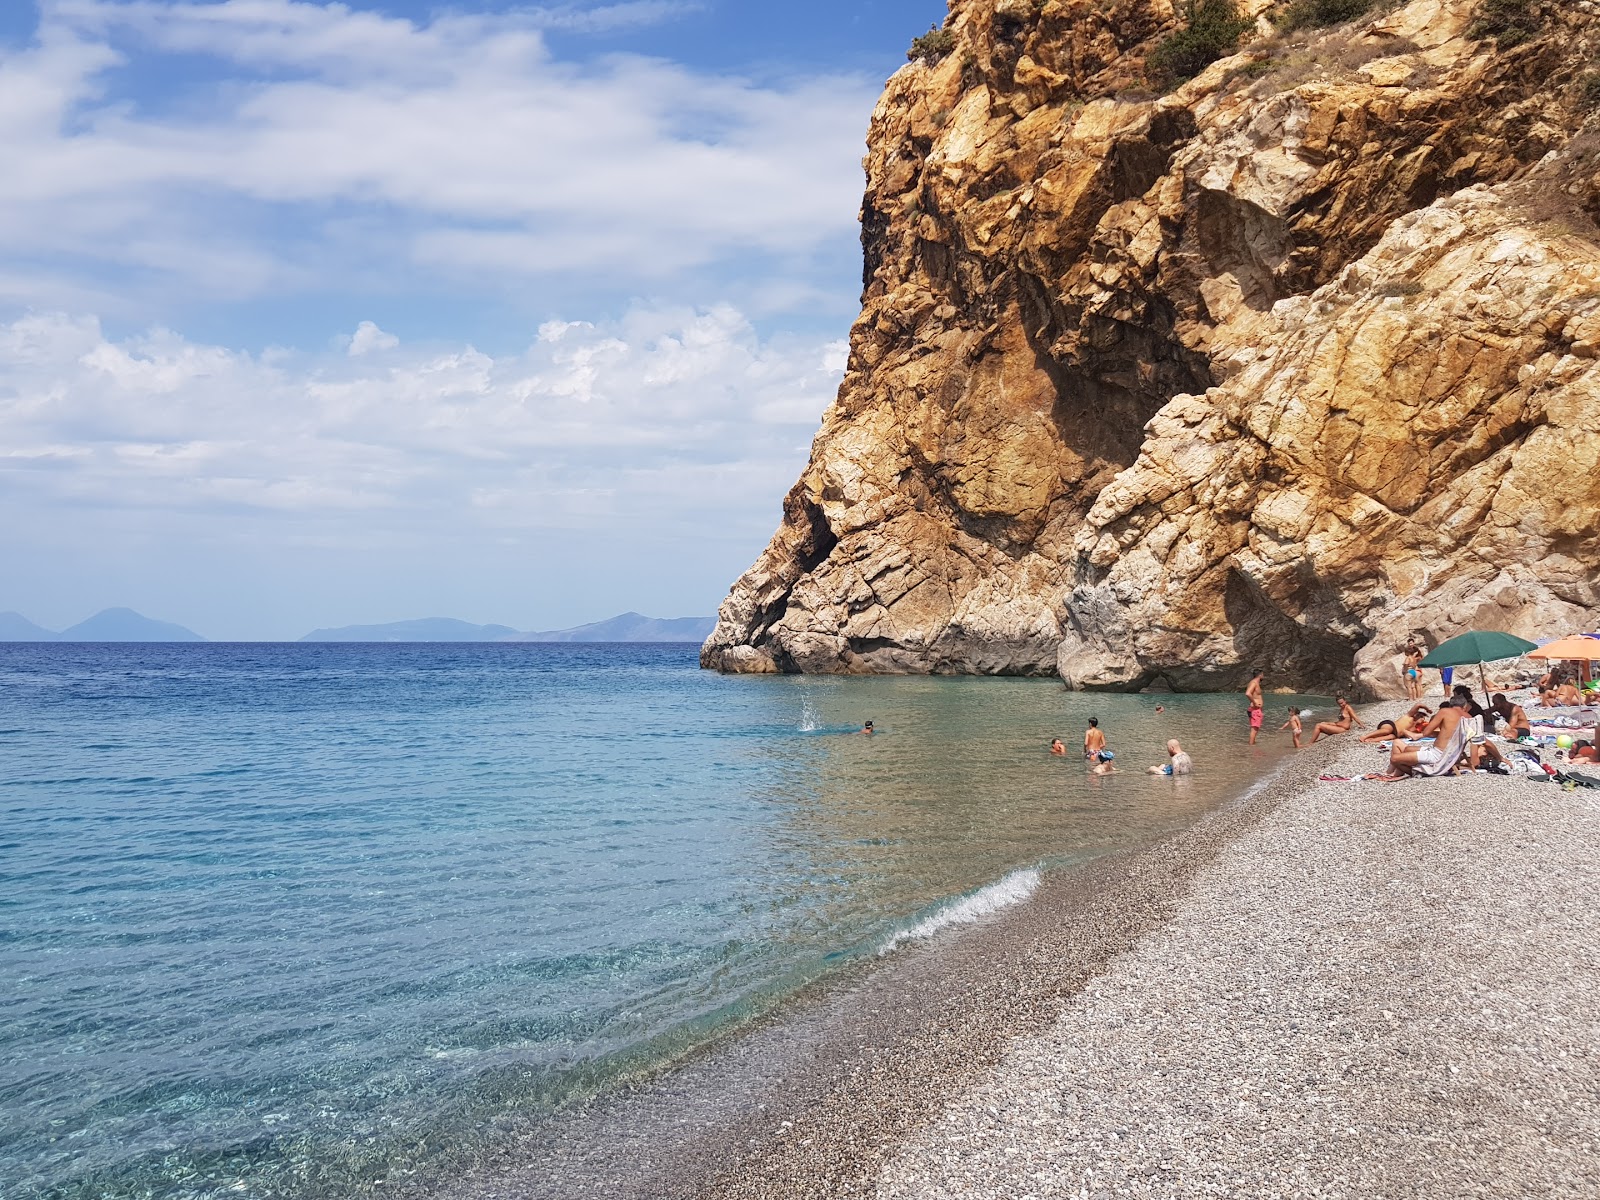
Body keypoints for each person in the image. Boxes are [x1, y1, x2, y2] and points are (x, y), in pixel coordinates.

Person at [1383, 699, 1468, 777]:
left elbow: (1426, 732)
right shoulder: (1469, 717)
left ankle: (1417, 772)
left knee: (1394, 759)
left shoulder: (1445, 712)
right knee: (1403, 746)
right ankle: (1395, 772)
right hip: (1452, 754)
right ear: (1464, 706)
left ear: (1451, 705)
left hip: (1438, 754)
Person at [1245, 669, 1264, 745]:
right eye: (1263, 675)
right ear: (1260, 675)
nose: (1263, 676)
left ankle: (1252, 744)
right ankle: (1251, 746)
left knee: (1255, 728)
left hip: (1255, 710)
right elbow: (1248, 693)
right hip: (1255, 710)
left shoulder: (1255, 683)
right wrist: (1254, 703)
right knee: (1254, 729)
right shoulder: (1254, 683)